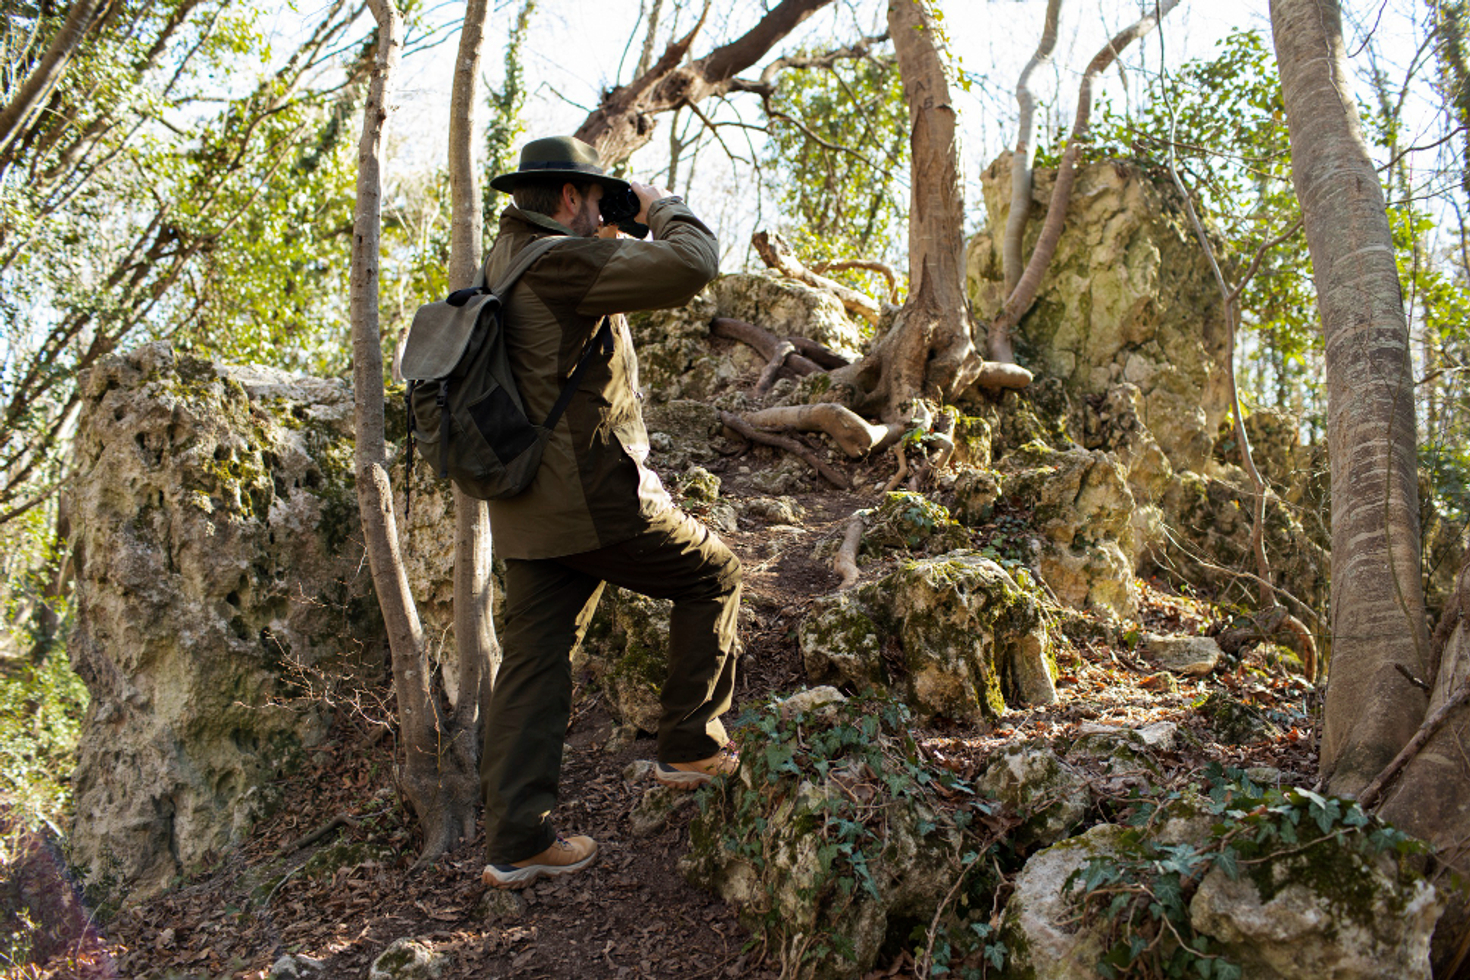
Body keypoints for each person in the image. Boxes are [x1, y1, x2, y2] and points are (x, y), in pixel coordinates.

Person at [476, 136, 742, 890]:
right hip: (588, 498)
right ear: (567, 199)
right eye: (596, 197)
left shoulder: (506, 259)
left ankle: (517, 843)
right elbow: (691, 266)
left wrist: (612, 229)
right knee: (713, 575)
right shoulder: (561, 264)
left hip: (525, 506)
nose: (605, 209)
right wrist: (661, 209)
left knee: (532, 666)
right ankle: (691, 745)